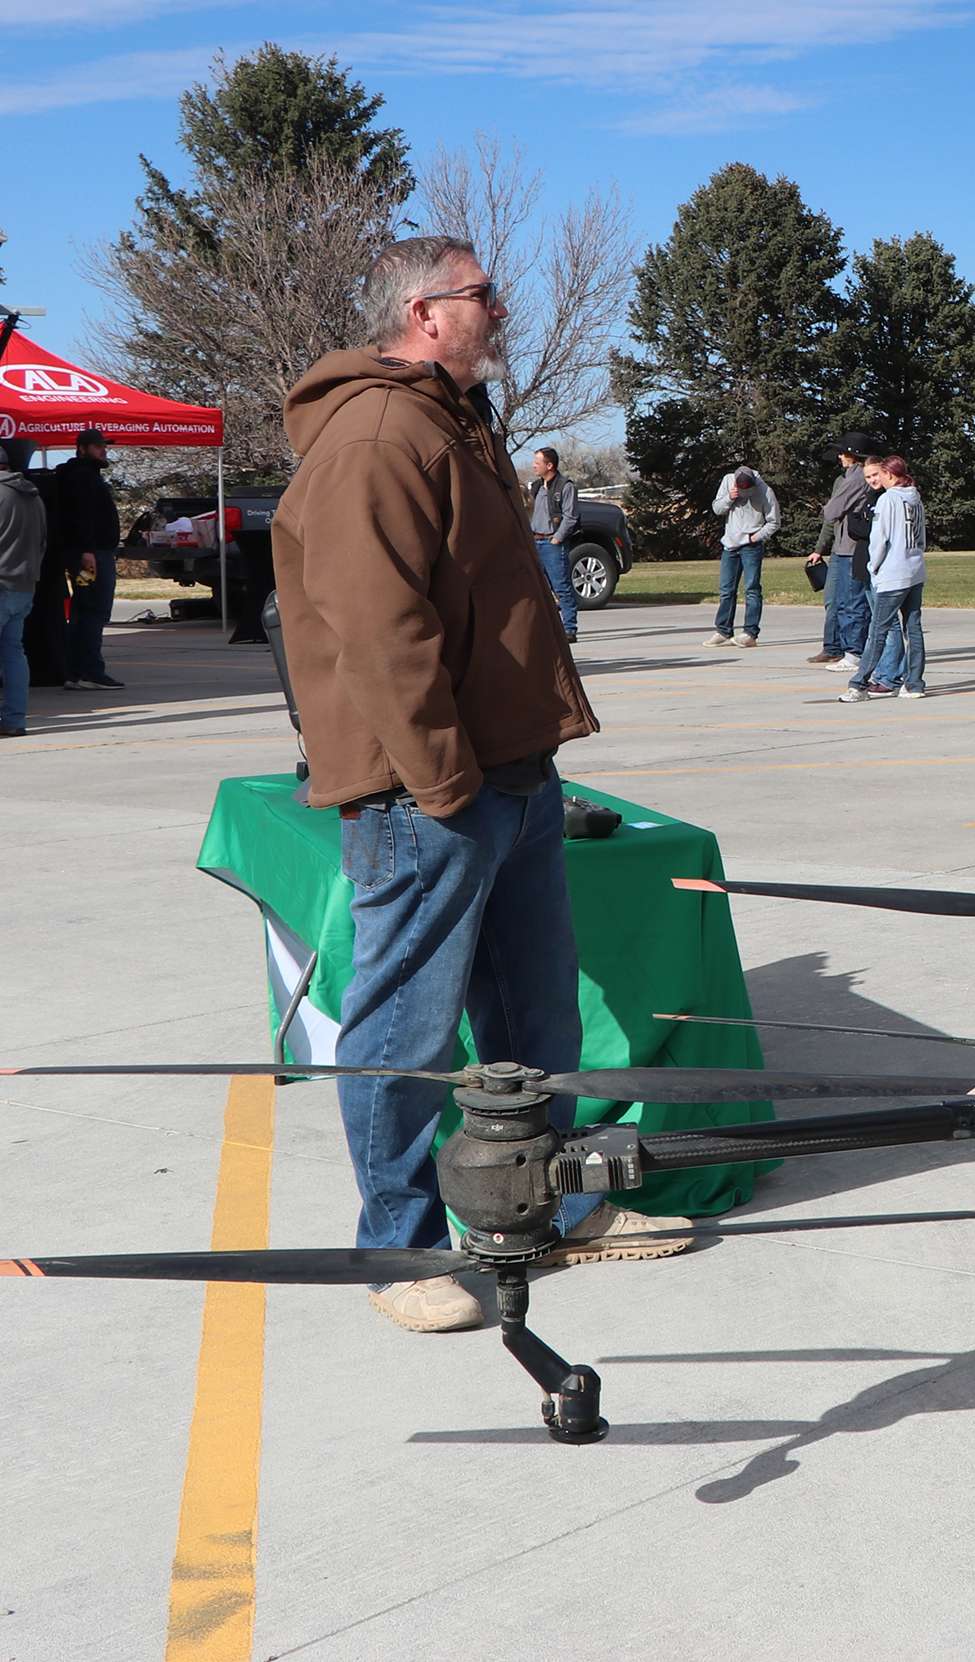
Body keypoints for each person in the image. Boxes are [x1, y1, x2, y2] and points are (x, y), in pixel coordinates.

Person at [271, 234, 688, 1335]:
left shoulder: (453, 419)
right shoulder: (374, 434)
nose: (500, 310)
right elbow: (379, 631)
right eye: (484, 296)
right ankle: (397, 1248)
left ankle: (531, 1208)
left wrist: (515, 768)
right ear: (424, 313)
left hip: (512, 778)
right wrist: (446, 782)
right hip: (432, 796)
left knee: (534, 1015)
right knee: (406, 1033)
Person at [841, 455, 928, 702]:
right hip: (915, 569)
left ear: (890, 475)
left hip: (893, 574)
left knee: (878, 630)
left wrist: (873, 566)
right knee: (914, 629)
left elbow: (880, 539)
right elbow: (921, 536)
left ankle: (858, 685)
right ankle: (914, 683)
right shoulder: (915, 497)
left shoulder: (889, 499)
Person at [53, 427, 124, 691]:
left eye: (103, 445)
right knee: (94, 609)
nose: (103, 450)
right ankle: (91, 670)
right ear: (82, 448)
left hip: (90, 553)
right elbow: (80, 517)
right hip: (92, 556)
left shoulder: (83, 475)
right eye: (97, 446)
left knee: (84, 608)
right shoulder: (82, 477)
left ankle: (75, 670)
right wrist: (87, 551)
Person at [810, 432, 878, 670]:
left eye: (843, 452)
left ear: (853, 455)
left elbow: (831, 511)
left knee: (853, 603)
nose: (839, 456)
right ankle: (842, 648)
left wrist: (831, 507)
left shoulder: (857, 478)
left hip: (851, 548)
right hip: (840, 547)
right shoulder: (849, 476)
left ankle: (855, 653)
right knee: (838, 601)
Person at [0, 436, 44, 737]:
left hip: (2, 582)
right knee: (14, 654)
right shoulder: (34, 495)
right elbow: (43, 542)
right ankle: (15, 719)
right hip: (24, 584)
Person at [707, 462, 778, 647]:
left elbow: (774, 521)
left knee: (752, 589)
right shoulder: (728, 481)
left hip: (751, 546)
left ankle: (750, 633)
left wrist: (755, 537)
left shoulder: (765, 491)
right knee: (726, 590)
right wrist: (729, 498)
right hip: (729, 544)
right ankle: (723, 630)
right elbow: (717, 509)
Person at [527, 446, 581, 644]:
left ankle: (569, 628)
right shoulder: (536, 487)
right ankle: (547, 628)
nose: (534, 465)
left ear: (549, 465)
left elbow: (571, 516)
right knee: (540, 589)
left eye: (537, 462)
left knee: (561, 587)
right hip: (535, 541)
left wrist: (557, 538)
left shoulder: (565, 486)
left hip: (552, 543)